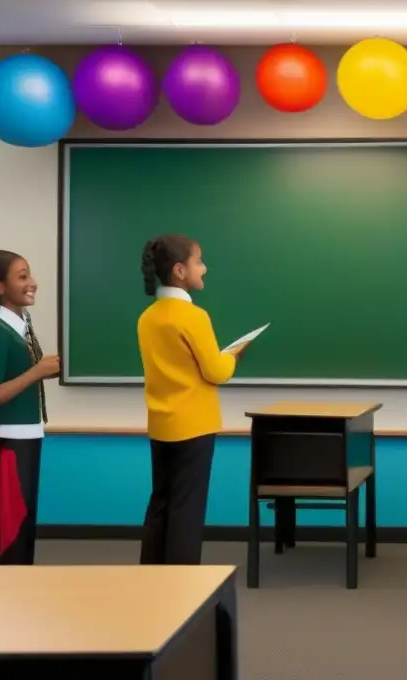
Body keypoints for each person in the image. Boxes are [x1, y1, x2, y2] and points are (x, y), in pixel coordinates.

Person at [138, 234, 244, 565]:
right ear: (180, 270)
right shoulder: (193, 317)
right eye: (199, 261)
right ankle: (182, 583)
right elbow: (216, 371)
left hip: (161, 424)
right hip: (194, 426)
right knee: (187, 508)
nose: (205, 268)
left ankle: (151, 574)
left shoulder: (149, 317)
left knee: (162, 502)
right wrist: (234, 356)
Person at [0, 250, 59, 564]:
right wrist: (36, 372)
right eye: (22, 277)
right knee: (10, 527)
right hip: (8, 441)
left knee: (23, 523)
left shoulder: (21, 324)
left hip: (26, 435)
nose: (32, 283)